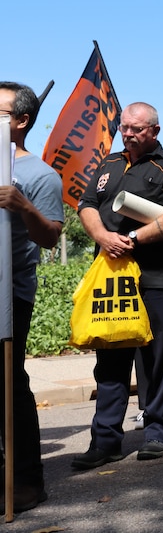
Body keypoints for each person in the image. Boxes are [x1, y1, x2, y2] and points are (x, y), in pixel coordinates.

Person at [72, 102, 163, 469]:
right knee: (109, 359)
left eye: (136, 129)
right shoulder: (109, 163)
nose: (127, 133)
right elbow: (87, 204)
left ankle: (157, 433)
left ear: (154, 131)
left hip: (156, 278)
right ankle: (105, 441)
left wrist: (136, 239)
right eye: (124, 127)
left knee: (157, 357)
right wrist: (103, 236)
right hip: (110, 278)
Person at [0, 82, 63, 512]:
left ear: (20, 121)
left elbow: (50, 236)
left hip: (9, 295)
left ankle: (26, 481)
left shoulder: (40, 176)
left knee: (7, 385)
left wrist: (23, 206)